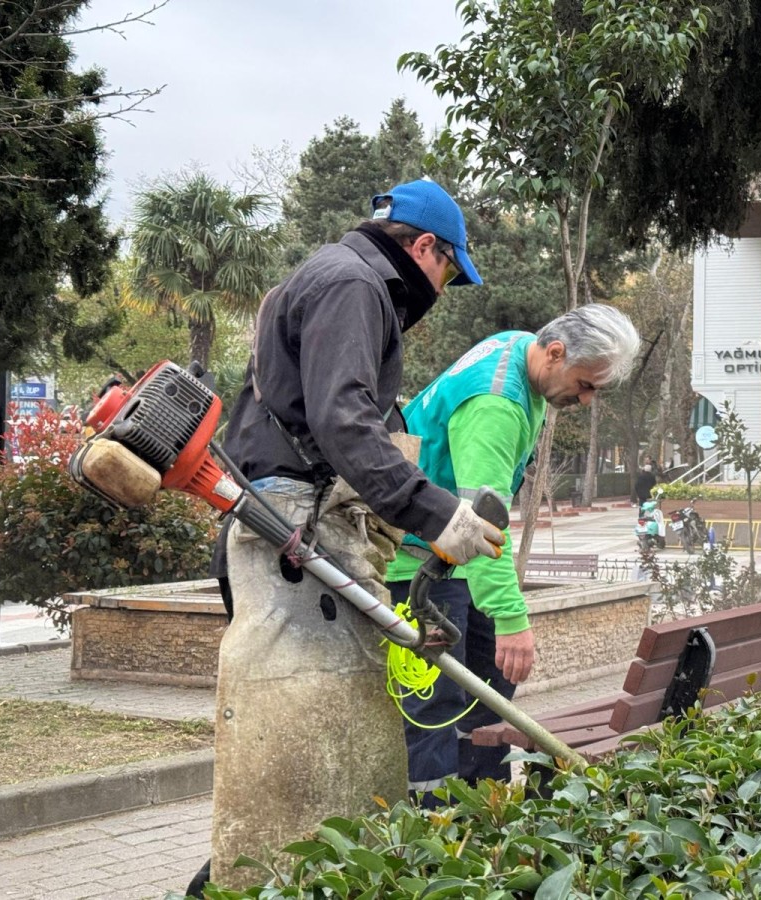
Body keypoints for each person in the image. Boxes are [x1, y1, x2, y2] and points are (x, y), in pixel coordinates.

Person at [193, 179, 505, 894]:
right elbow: (342, 423)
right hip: (293, 524)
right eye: (449, 271)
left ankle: (274, 877)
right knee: (303, 744)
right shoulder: (353, 283)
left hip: (289, 514)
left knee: (320, 745)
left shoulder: (329, 275)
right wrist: (435, 512)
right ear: (425, 246)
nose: (443, 289)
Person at [384, 304, 640, 806]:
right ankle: (433, 840)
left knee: (489, 694)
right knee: (433, 707)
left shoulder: (521, 347)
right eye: (586, 385)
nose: (586, 400)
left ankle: (484, 816)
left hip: (449, 560)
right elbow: (481, 524)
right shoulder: (496, 405)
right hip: (416, 568)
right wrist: (510, 616)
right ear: (556, 352)